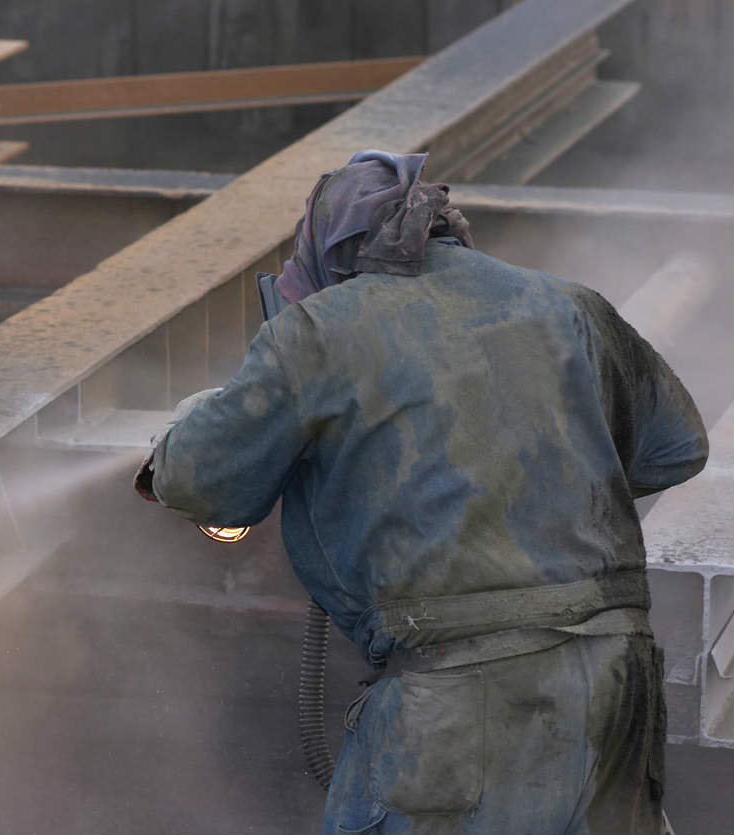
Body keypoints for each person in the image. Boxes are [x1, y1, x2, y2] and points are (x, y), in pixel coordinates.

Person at [134, 150, 707, 834]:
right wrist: (551, 475)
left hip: (457, 700)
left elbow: (199, 481)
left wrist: (196, 425)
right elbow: (677, 447)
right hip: (617, 676)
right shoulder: (570, 304)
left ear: (329, 249)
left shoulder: (317, 330)